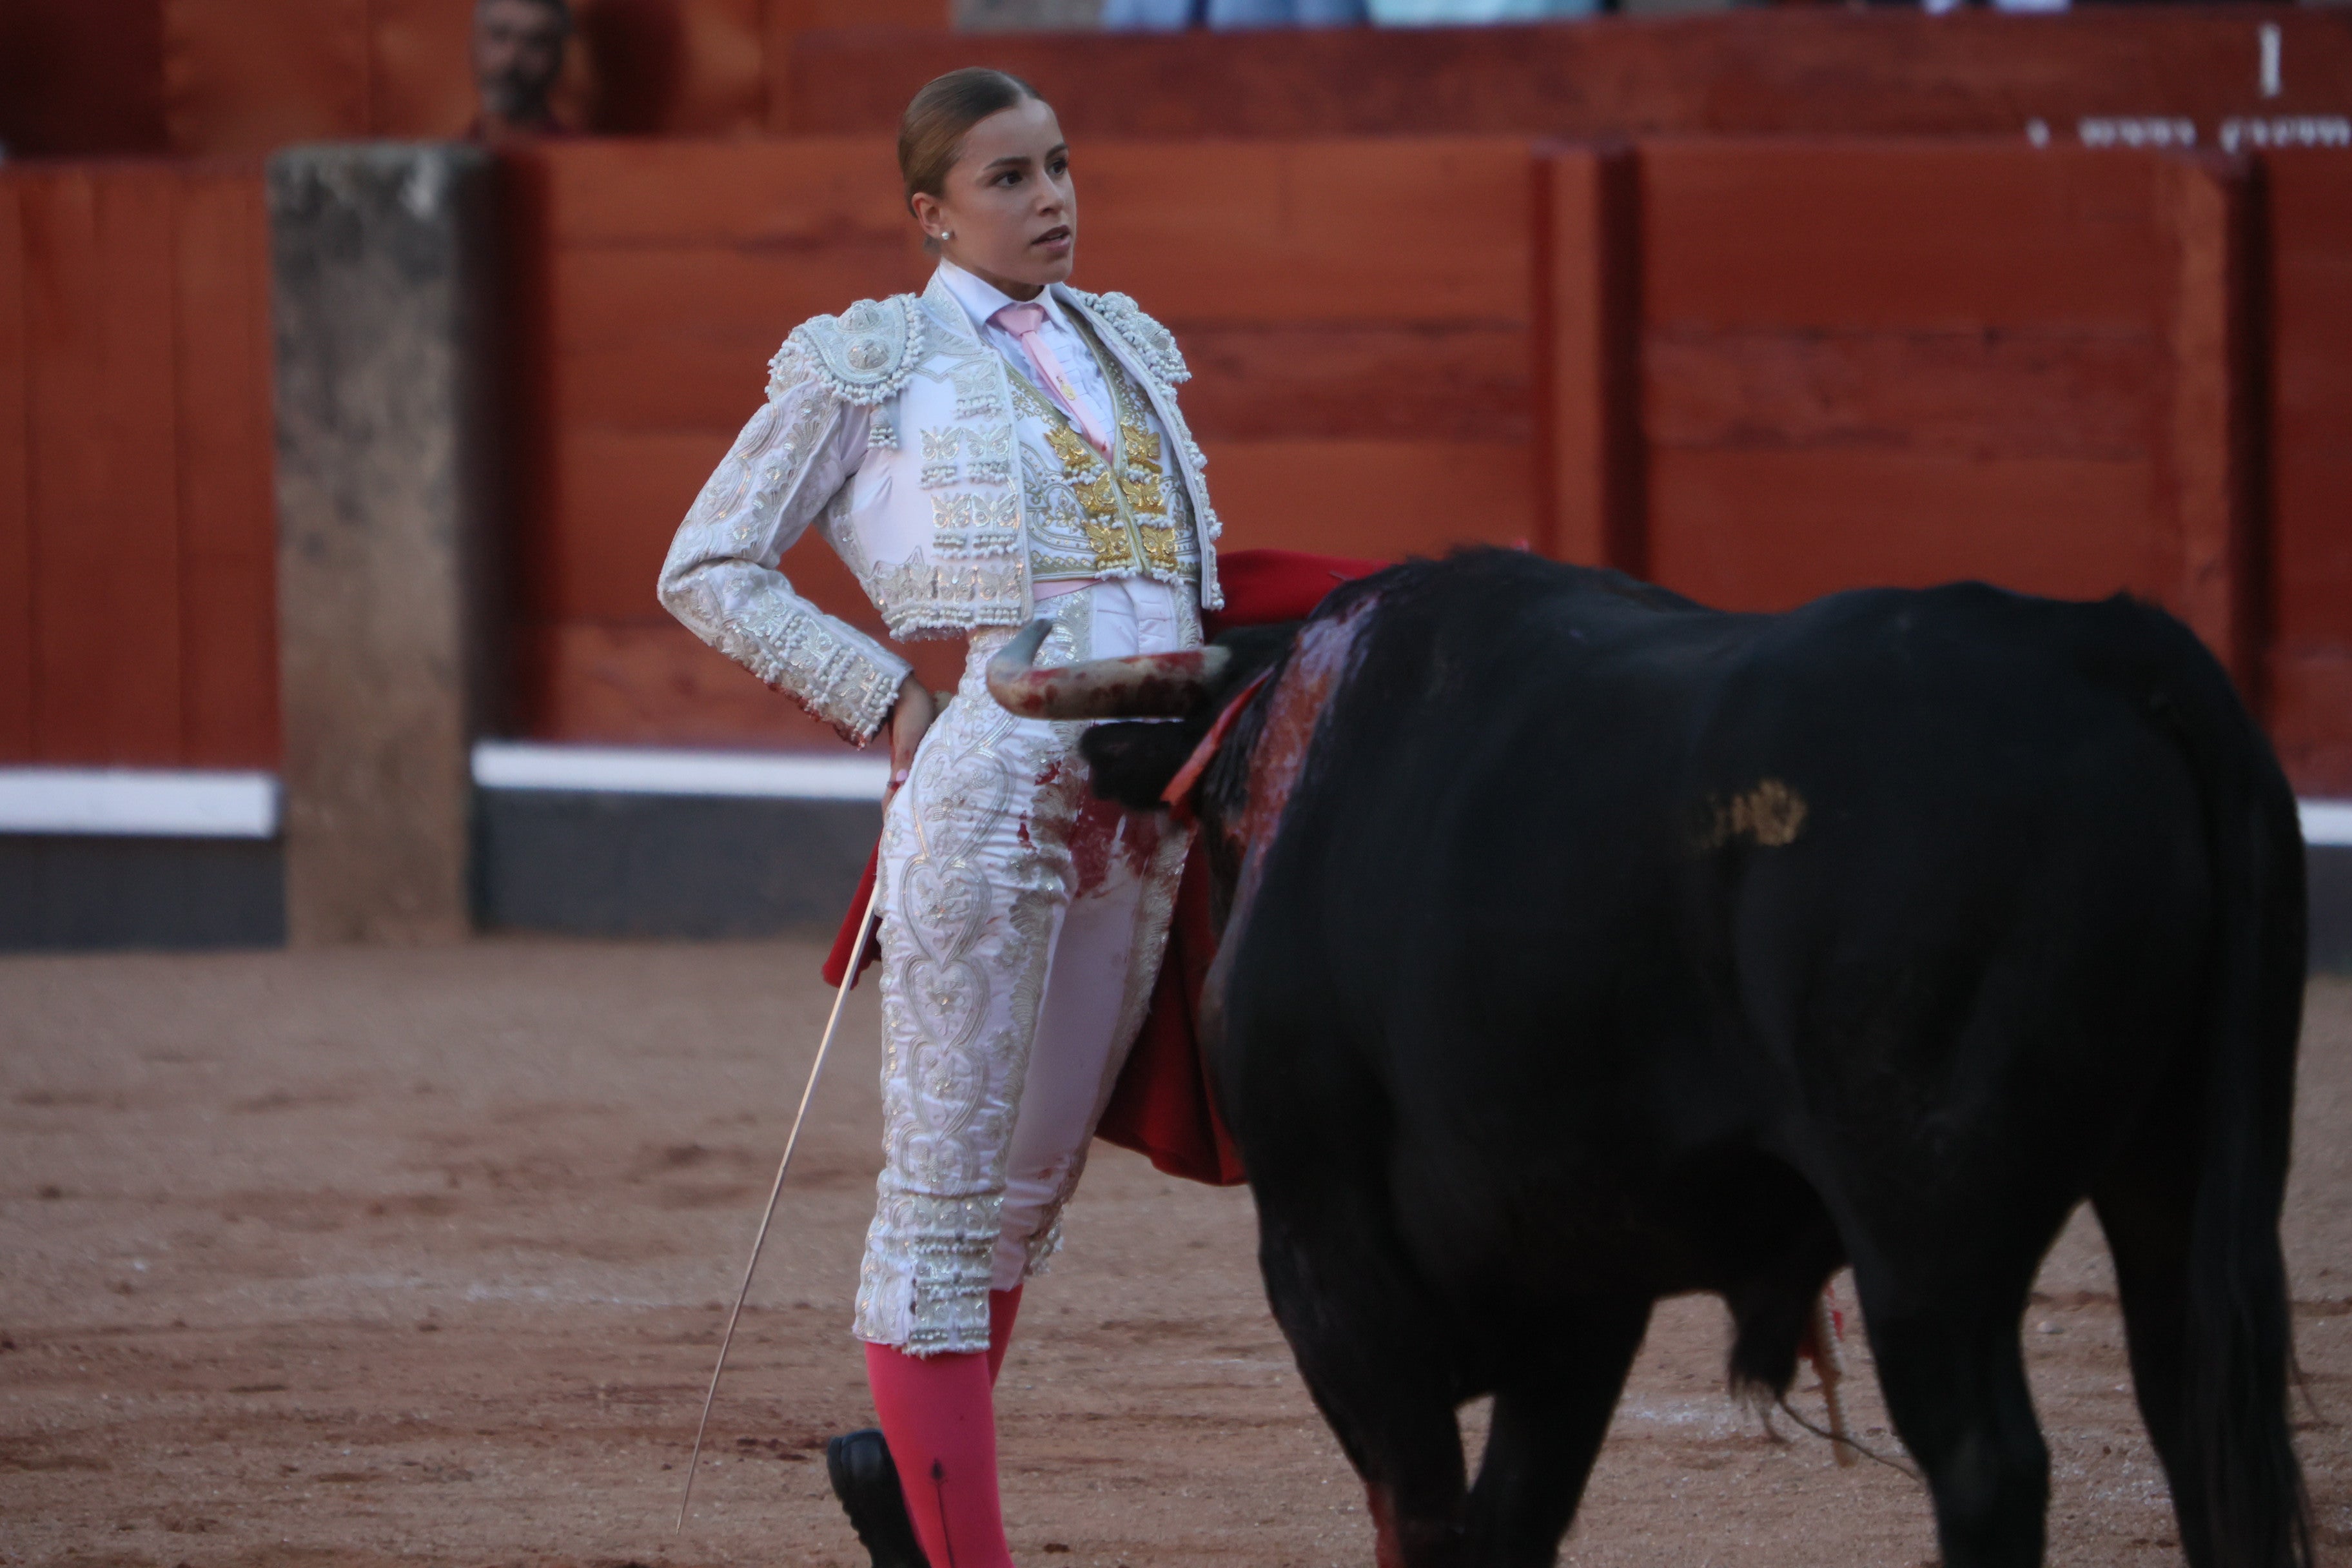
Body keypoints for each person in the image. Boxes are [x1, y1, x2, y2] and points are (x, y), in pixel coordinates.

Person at [656, 68, 1224, 1568]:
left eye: (1058, 166)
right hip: (994, 795)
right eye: (1010, 179)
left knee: (1026, 1192)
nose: (1051, 199)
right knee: (944, 1196)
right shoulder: (871, 360)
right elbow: (708, 562)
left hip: (1146, 802)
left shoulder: (1129, 343)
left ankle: (915, 1501)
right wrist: (886, 700)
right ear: (930, 211)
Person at [469, 0, 573, 139]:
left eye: (535, 42)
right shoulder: (446, 155)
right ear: (474, 46)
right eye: (499, 36)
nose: (511, 58)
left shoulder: (587, 156)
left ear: (558, 59)